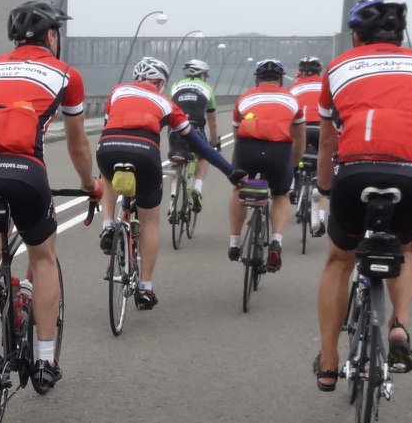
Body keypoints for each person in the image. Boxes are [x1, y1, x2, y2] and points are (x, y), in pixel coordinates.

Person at [0, 0, 95, 392]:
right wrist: (90, 184)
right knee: (43, 255)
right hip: (24, 171)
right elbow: (77, 142)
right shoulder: (66, 73)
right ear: (52, 35)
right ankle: (46, 360)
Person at [312, 0, 412, 390]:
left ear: (356, 35)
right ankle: (399, 325)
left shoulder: (338, 67)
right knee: (406, 250)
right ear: (401, 35)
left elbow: (326, 143)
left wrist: (324, 191)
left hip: (356, 168)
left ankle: (329, 363)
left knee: (340, 259)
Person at [95, 56, 246, 308]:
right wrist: (230, 171)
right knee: (150, 220)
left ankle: (109, 225)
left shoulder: (117, 92)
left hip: (108, 147)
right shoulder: (166, 103)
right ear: (160, 82)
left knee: (107, 176)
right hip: (144, 154)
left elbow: (108, 126)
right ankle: (145, 288)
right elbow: (199, 144)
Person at [230, 59, 307, 271]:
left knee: (239, 188)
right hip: (279, 150)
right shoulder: (293, 100)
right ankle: (276, 241)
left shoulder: (243, 99)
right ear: (281, 81)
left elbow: (237, 136)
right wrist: (292, 165)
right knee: (281, 194)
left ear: (256, 81)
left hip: (247, 148)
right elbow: (300, 138)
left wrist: (240, 168)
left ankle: (235, 242)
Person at [167, 58, 219, 215]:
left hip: (175, 130)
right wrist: (214, 142)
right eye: (205, 75)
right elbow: (212, 121)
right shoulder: (207, 88)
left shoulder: (175, 86)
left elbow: (168, 112)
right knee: (204, 156)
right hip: (195, 130)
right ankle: (197, 188)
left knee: (177, 159)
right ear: (201, 74)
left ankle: (172, 203)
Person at [288, 56, 328, 236]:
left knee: (290, 155)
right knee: (325, 164)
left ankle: (290, 185)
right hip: (321, 127)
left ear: (300, 73)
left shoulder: (293, 88)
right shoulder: (327, 86)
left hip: (301, 127)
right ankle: (319, 214)